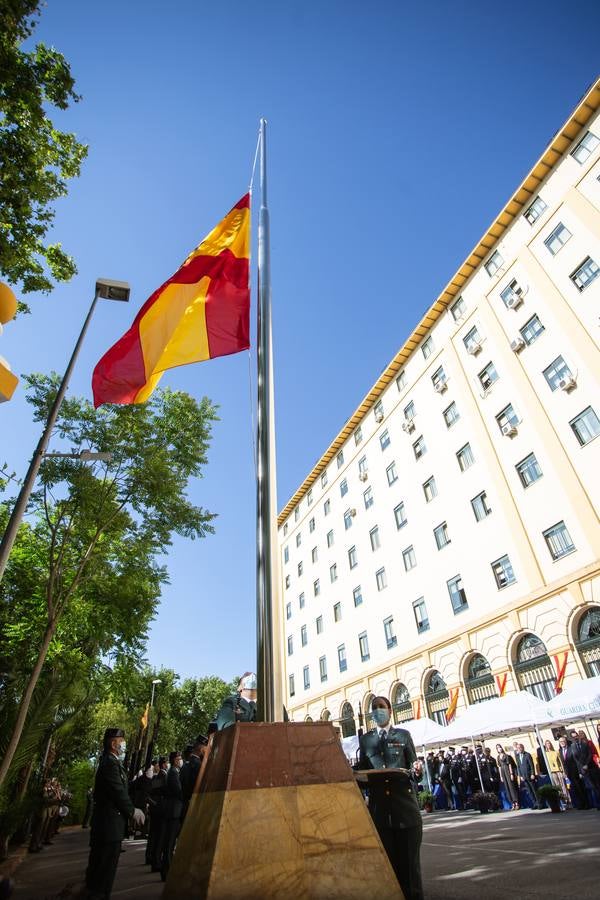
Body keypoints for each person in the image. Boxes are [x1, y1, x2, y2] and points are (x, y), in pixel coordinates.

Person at [357, 696, 423, 900]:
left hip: (406, 812)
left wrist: (418, 770)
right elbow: (363, 774)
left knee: (410, 873)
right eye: (374, 708)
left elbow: (414, 770)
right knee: (389, 871)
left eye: (381, 707)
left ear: (390, 710)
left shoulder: (403, 735)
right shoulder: (366, 740)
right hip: (380, 815)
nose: (377, 711)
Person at [85, 728, 144, 899]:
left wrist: (142, 779)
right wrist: (132, 811)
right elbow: (118, 791)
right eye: (121, 740)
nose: (123, 744)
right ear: (113, 743)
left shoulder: (112, 762)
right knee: (103, 873)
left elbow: (123, 787)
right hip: (108, 826)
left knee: (101, 871)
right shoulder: (110, 763)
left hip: (109, 825)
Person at [159, 751, 183, 882]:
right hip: (174, 811)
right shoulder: (173, 773)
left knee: (169, 841)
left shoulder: (173, 772)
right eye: (179, 759)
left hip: (172, 810)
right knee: (169, 843)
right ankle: (166, 871)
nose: (180, 760)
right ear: (174, 760)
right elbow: (178, 791)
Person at [147, 756, 168, 871]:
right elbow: (159, 791)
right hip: (159, 809)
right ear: (163, 764)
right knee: (158, 836)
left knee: (153, 835)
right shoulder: (163, 775)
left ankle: (150, 857)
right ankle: (155, 861)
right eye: (166, 763)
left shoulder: (158, 776)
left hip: (155, 808)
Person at [180, 735, 208, 822]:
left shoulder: (187, 763)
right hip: (191, 804)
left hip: (184, 803)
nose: (207, 750)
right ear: (201, 748)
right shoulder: (198, 764)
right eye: (206, 748)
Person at [496, 744, 519, 809]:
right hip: (503, 772)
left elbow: (509, 765)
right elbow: (499, 767)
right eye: (497, 748)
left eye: (500, 747)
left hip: (507, 771)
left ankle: (516, 802)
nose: (499, 749)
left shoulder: (506, 756)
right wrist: (501, 776)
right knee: (507, 788)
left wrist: (511, 773)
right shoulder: (498, 757)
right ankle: (512, 803)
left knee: (511, 787)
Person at [515, 743, 538, 809]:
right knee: (529, 791)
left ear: (523, 748)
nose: (519, 749)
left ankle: (539, 803)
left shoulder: (527, 755)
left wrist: (532, 774)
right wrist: (520, 776)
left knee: (534, 790)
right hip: (523, 777)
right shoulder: (517, 756)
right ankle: (534, 804)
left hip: (529, 775)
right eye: (518, 748)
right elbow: (518, 767)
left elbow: (531, 765)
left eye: (520, 747)